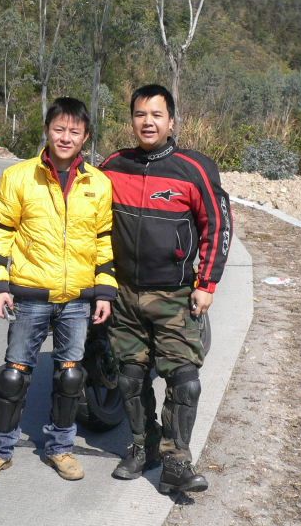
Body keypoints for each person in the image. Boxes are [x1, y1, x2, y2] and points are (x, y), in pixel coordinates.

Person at [0, 97, 117, 484]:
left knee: (71, 376)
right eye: (59, 129)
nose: (65, 137)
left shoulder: (98, 183)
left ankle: (60, 448)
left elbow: (104, 240)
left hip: (77, 299)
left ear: (85, 136)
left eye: (74, 131)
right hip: (31, 294)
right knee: (14, 375)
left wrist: (104, 290)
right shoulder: (19, 177)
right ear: (47, 130)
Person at [100, 84, 231, 494]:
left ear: (171, 121)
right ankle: (144, 446)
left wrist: (206, 284)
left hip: (175, 295)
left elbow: (218, 226)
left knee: (184, 380)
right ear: (132, 119)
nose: (148, 122)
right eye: (141, 114)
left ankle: (177, 460)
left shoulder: (194, 169)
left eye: (157, 115)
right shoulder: (113, 166)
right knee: (130, 378)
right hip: (124, 294)